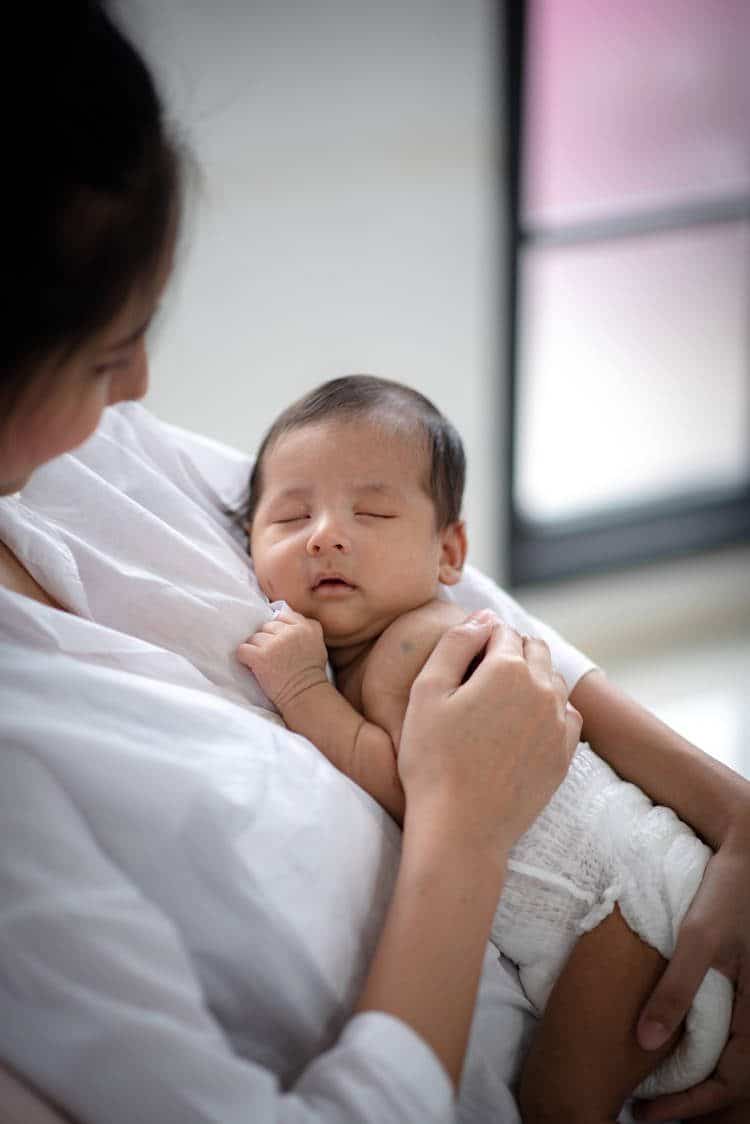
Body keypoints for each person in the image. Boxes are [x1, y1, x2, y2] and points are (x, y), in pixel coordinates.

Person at [0, 5, 747, 1124]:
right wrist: (460, 825)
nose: (142, 386)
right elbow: (457, 770)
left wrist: (736, 812)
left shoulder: (95, 458)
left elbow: (521, 655)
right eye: (107, 348)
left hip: (628, 894)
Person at [237, 375, 750, 1124]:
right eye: (289, 517)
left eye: (371, 511)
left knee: (558, 1106)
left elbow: (424, 790)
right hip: (611, 908)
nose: (325, 534)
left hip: (621, 904)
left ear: (450, 552)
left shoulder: (424, 639)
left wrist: (304, 693)